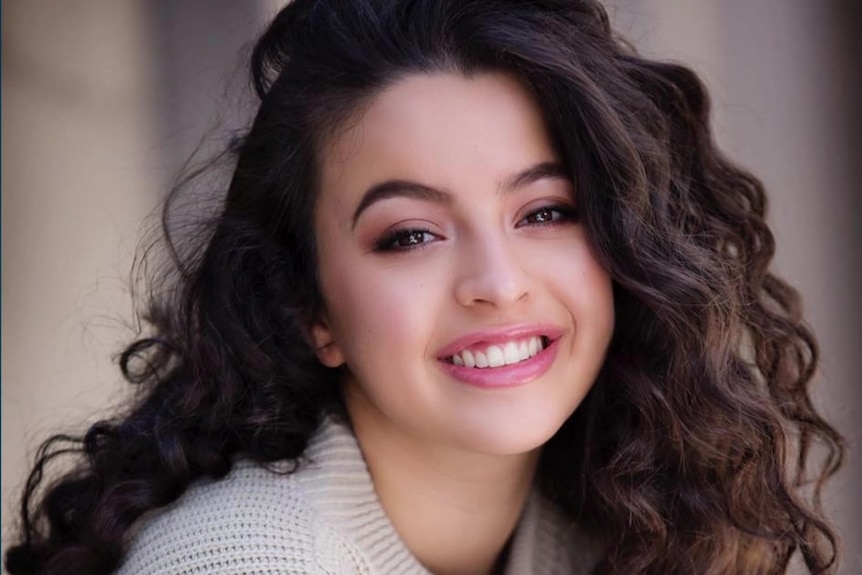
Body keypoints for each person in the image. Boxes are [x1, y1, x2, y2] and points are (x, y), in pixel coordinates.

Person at [4, 1, 846, 574]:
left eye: (545, 211)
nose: (497, 282)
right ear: (310, 308)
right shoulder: (242, 560)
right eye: (410, 235)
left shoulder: (623, 518)